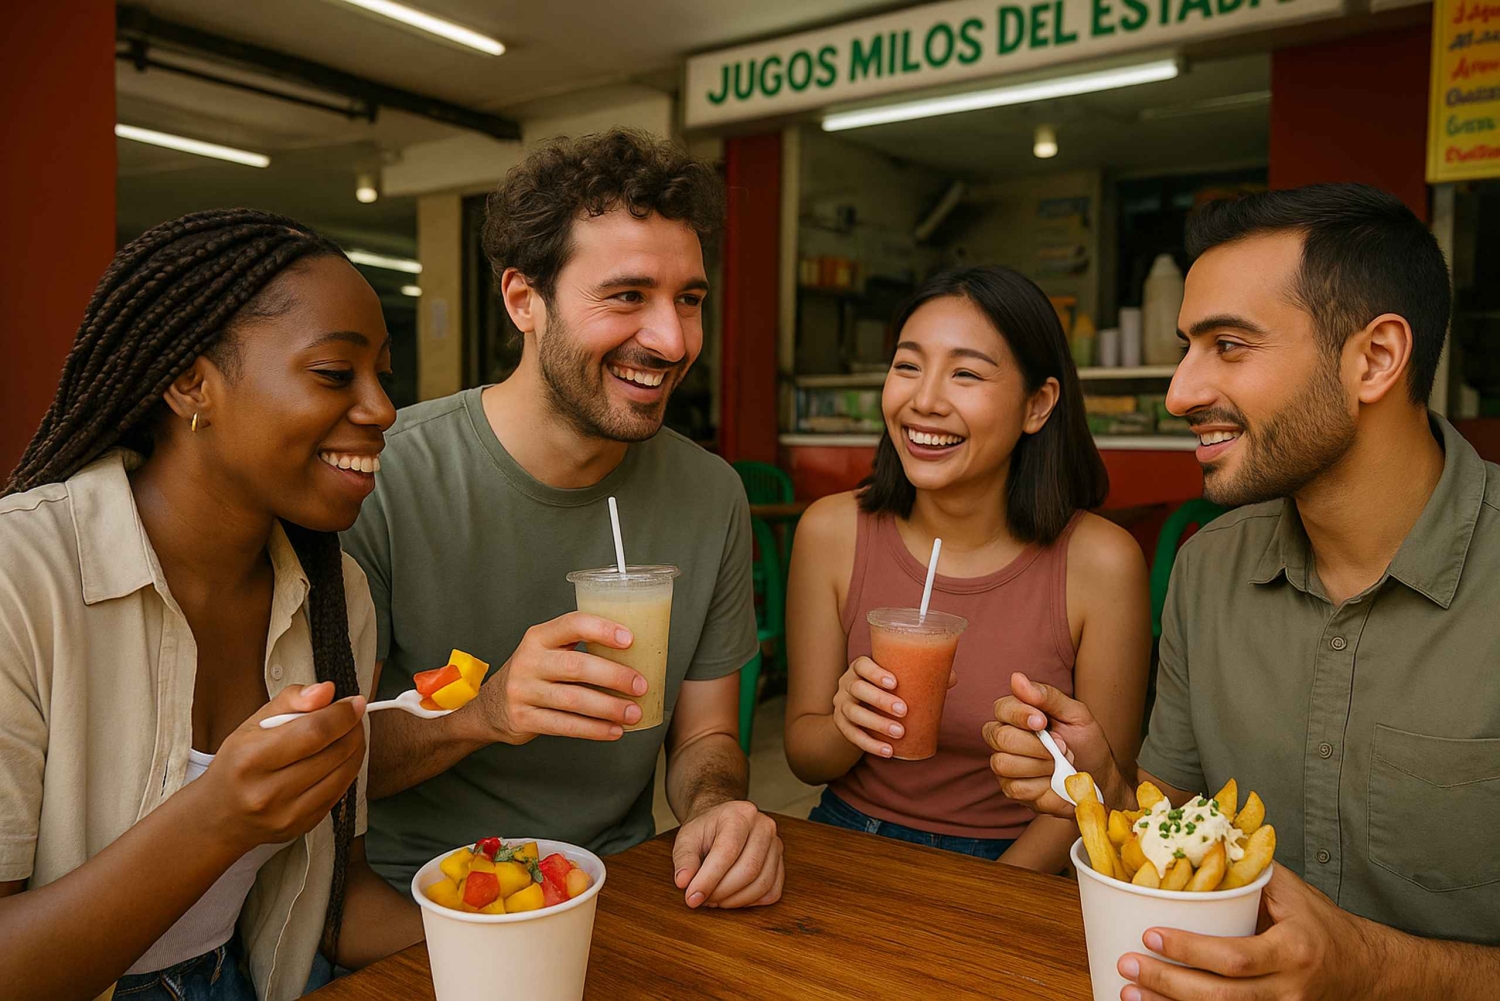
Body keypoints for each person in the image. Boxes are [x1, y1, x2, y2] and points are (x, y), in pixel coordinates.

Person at [987, 183, 1500, 998]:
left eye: (1228, 345)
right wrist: (1112, 788)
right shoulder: (1207, 567)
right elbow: (1188, 811)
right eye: (1190, 345)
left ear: (1374, 358)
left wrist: (1371, 970)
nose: (1179, 393)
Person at [343, 129, 783, 911]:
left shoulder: (711, 493)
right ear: (524, 301)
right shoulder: (386, 478)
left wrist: (717, 807)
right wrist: (483, 713)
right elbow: (329, 767)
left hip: (618, 889)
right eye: (627, 295)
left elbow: (707, 738)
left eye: (689, 299)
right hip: (420, 902)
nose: (673, 339)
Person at [0, 209, 423, 1001]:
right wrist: (218, 815)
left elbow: (334, 902)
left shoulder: (334, 595)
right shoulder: (19, 577)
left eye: (384, 377)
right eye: (337, 373)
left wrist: (522, 923)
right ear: (192, 383)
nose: (382, 408)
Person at [782, 267, 1151, 869]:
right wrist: (848, 724)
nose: (924, 400)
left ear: (1038, 405)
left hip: (1020, 860)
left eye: (966, 374)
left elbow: (1097, 789)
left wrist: (985, 897)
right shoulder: (830, 531)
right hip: (849, 834)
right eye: (907, 366)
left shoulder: (1103, 563)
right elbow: (804, 755)